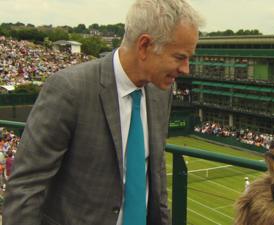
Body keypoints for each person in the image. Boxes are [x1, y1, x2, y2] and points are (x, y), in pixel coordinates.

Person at [3, 1, 204, 225]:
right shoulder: (70, 89)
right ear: (144, 46)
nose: (186, 69)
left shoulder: (160, 92)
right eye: (179, 57)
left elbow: (155, 177)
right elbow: (25, 189)